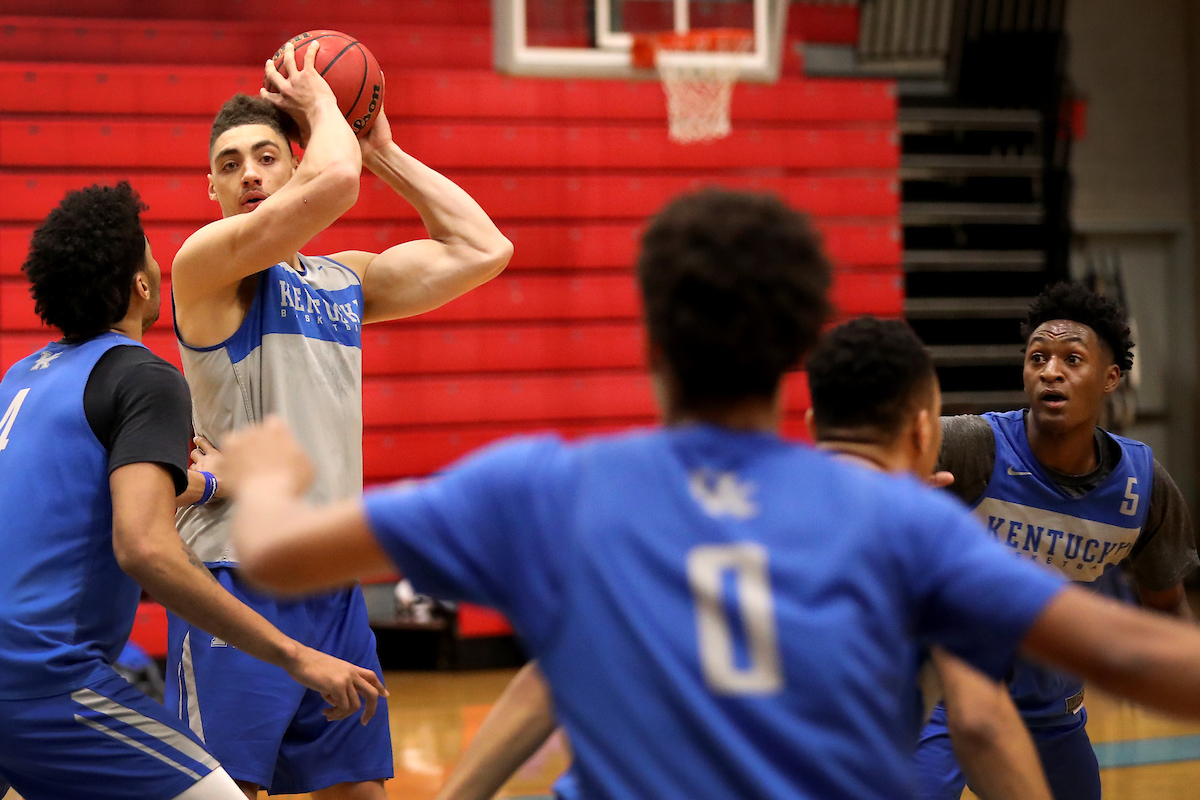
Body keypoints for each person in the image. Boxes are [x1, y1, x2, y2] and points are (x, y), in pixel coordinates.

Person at [221, 188, 1200, 800]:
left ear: (651, 341)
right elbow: (1131, 659)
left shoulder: (548, 487)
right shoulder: (902, 516)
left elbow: (272, 553)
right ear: (794, 352)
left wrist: (265, 478)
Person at [429, 316, 1054, 800]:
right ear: (923, 431)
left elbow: (549, 678)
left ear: (812, 422)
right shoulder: (924, 538)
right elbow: (981, 724)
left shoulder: (685, 506)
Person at [168, 41, 512, 799]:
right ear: (211, 189)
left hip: (330, 582)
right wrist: (324, 105)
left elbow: (483, 248)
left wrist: (382, 151)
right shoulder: (204, 266)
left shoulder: (342, 279)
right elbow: (335, 185)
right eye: (230, 165)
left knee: (358, 793)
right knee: (224, 791)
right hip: (234, 574)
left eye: (266, 157)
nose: (249, 174)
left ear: (293, 166)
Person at [0, 183, 384, 800]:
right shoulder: (143, 376)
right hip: (45, 676)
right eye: (151, 254)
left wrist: (208, 483)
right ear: (141, 285)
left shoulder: (22, 378)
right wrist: (295, 655)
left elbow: (80, 497)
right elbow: (145, 547)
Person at [915, 282, 1199, 800]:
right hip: (952, 700)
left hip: (1054, 715)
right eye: (1038, 357)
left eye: (1072, 359)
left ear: (1111, 378)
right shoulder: (975, 445)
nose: (1050, 371)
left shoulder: (1143, 486)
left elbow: (1167, 606)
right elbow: (874, 452)